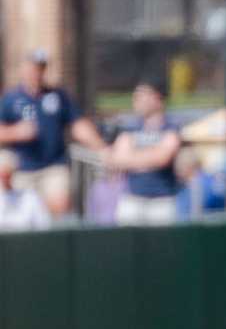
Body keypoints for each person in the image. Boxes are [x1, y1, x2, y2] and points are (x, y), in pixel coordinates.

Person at [0, 51, 103, 218]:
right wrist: (15, 132)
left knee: (59, 207)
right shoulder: (11, 99)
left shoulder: (58, 96)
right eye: (32, 68)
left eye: (40, 68)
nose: (36, 73)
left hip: (53, 166)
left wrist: (101, 147)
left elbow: (78, 125)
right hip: (22, 168)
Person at [107, 82, 183, 226]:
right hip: (132, 198)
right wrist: (150, 157)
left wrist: (133, 157)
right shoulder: (130, 127)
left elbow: (163, 158)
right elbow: (117, 159)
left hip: (162, 200)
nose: (135, 101)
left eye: (140, 96)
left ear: (157, 97)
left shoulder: (171, 126)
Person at [0, 147, 52, 229]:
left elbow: (43, 226)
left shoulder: (30, 197)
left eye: (7, 174)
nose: (4, 178)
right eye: (2, 175)